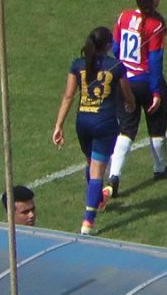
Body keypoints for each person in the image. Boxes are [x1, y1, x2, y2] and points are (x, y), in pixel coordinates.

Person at [50, 25, 133, 234]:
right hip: (104, 123)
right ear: (107, 45)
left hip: (83, 122)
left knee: (90, 162)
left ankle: (98, 199)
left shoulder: (78, 65)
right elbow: (126, 93)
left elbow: (68, 96)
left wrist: (59, 124)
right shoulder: (115, 66)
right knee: (97, 172)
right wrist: (130, 105)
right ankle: (88, 221)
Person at [107, 0, 167, 195]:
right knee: (156, 125)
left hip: (124, 81)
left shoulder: (123, 17)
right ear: (154, 0)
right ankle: (160, 168)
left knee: (126, 129)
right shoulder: (156, 25)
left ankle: (114, 175)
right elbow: (155, 60)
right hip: (145, 81)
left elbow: (115, 49)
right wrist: (155, 91)